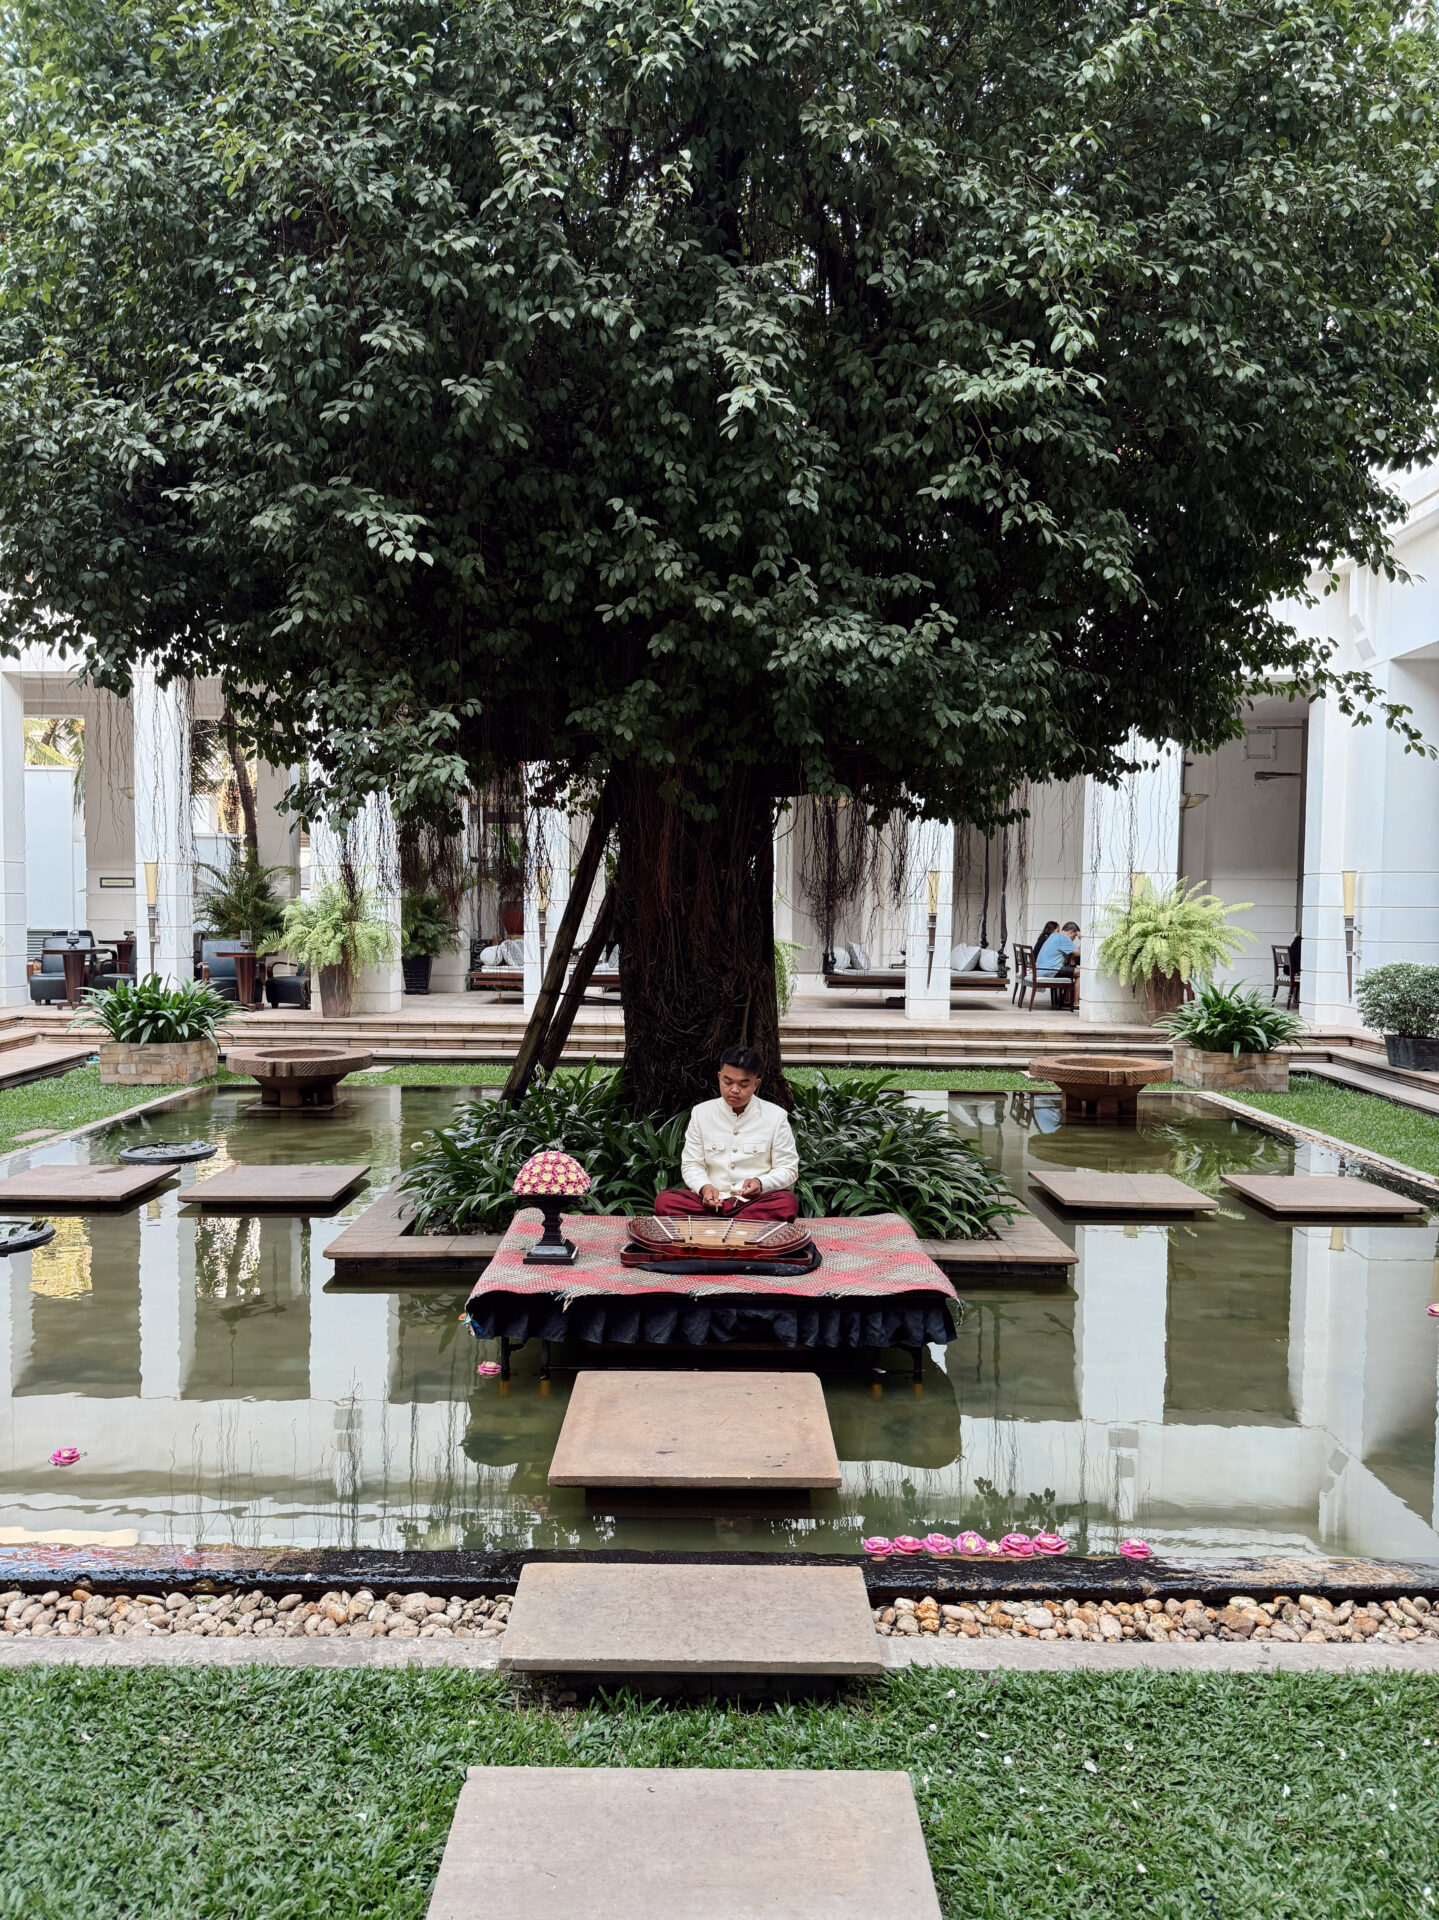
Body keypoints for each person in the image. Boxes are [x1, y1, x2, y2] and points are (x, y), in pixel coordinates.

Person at [653, 1044, 801, 1220]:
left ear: (756, 1084)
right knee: (665, 1200)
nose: (734, 1090)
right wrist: (705, 1187)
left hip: (753, 1202)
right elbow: (691, 1164)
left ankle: (717, 1222)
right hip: (711, 1203)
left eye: (743, 1084)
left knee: (786, 1202)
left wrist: (761, 1183)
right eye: (728, 1082)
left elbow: (788, 1168)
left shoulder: (775, 1116)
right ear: (719, 1077)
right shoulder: (701, 1113)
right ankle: (739, 1221)